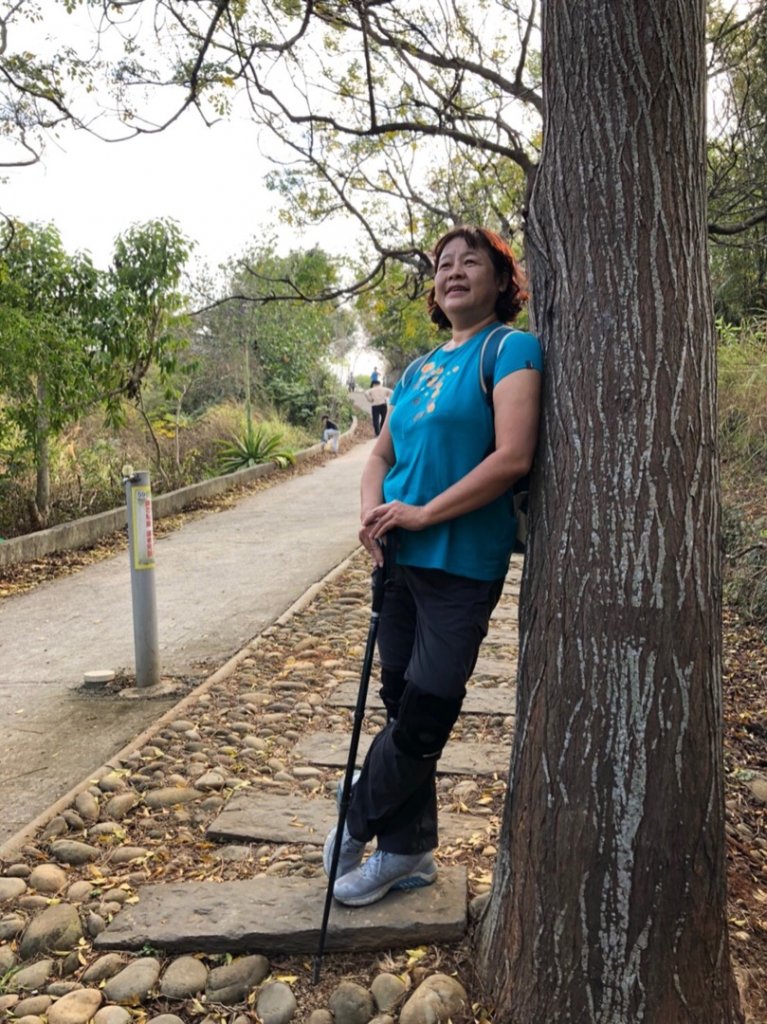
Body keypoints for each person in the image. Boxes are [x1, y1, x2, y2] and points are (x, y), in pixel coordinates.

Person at [323, 225, 543, 907]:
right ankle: (408, 852)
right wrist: (372, 513)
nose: (451, 272)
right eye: (441, 264)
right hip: (396, 562)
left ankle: (359, 813)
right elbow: (379, 457)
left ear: (501, 281)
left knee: (425, 713)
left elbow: (511, 457)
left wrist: (422, 514)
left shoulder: (510, 350)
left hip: (459, 562)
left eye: (468, 262)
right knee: (397, 705)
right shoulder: (418, 370)